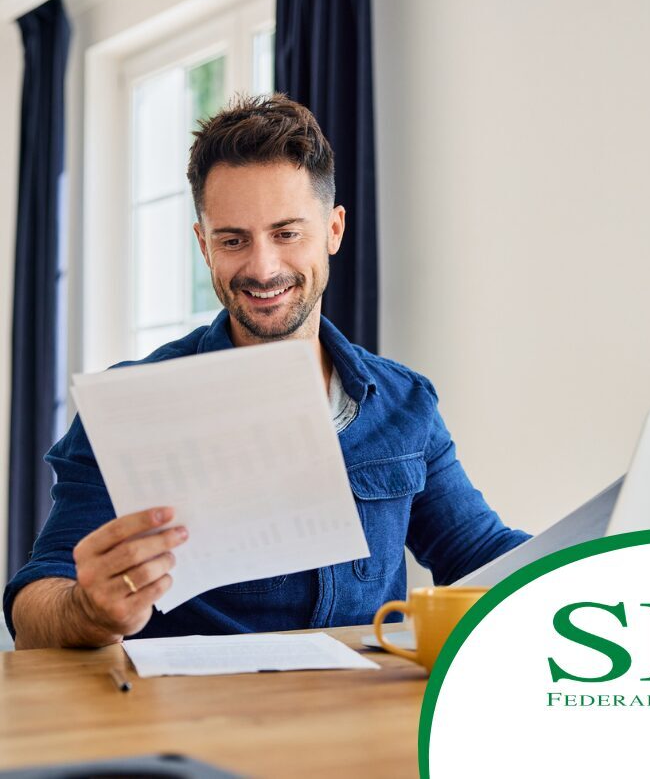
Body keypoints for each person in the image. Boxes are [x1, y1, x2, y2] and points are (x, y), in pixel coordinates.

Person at [4, 94, 529, 649]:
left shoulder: (404, 402)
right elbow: (35, 609)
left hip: (365, 701)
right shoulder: (131, 408)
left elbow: (480, 556)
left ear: (333, 230)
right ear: (204, 246)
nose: (262, 267)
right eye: (233, 240)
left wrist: (585, 564)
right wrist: (88, 610)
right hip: (199, 704)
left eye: (286, 233)